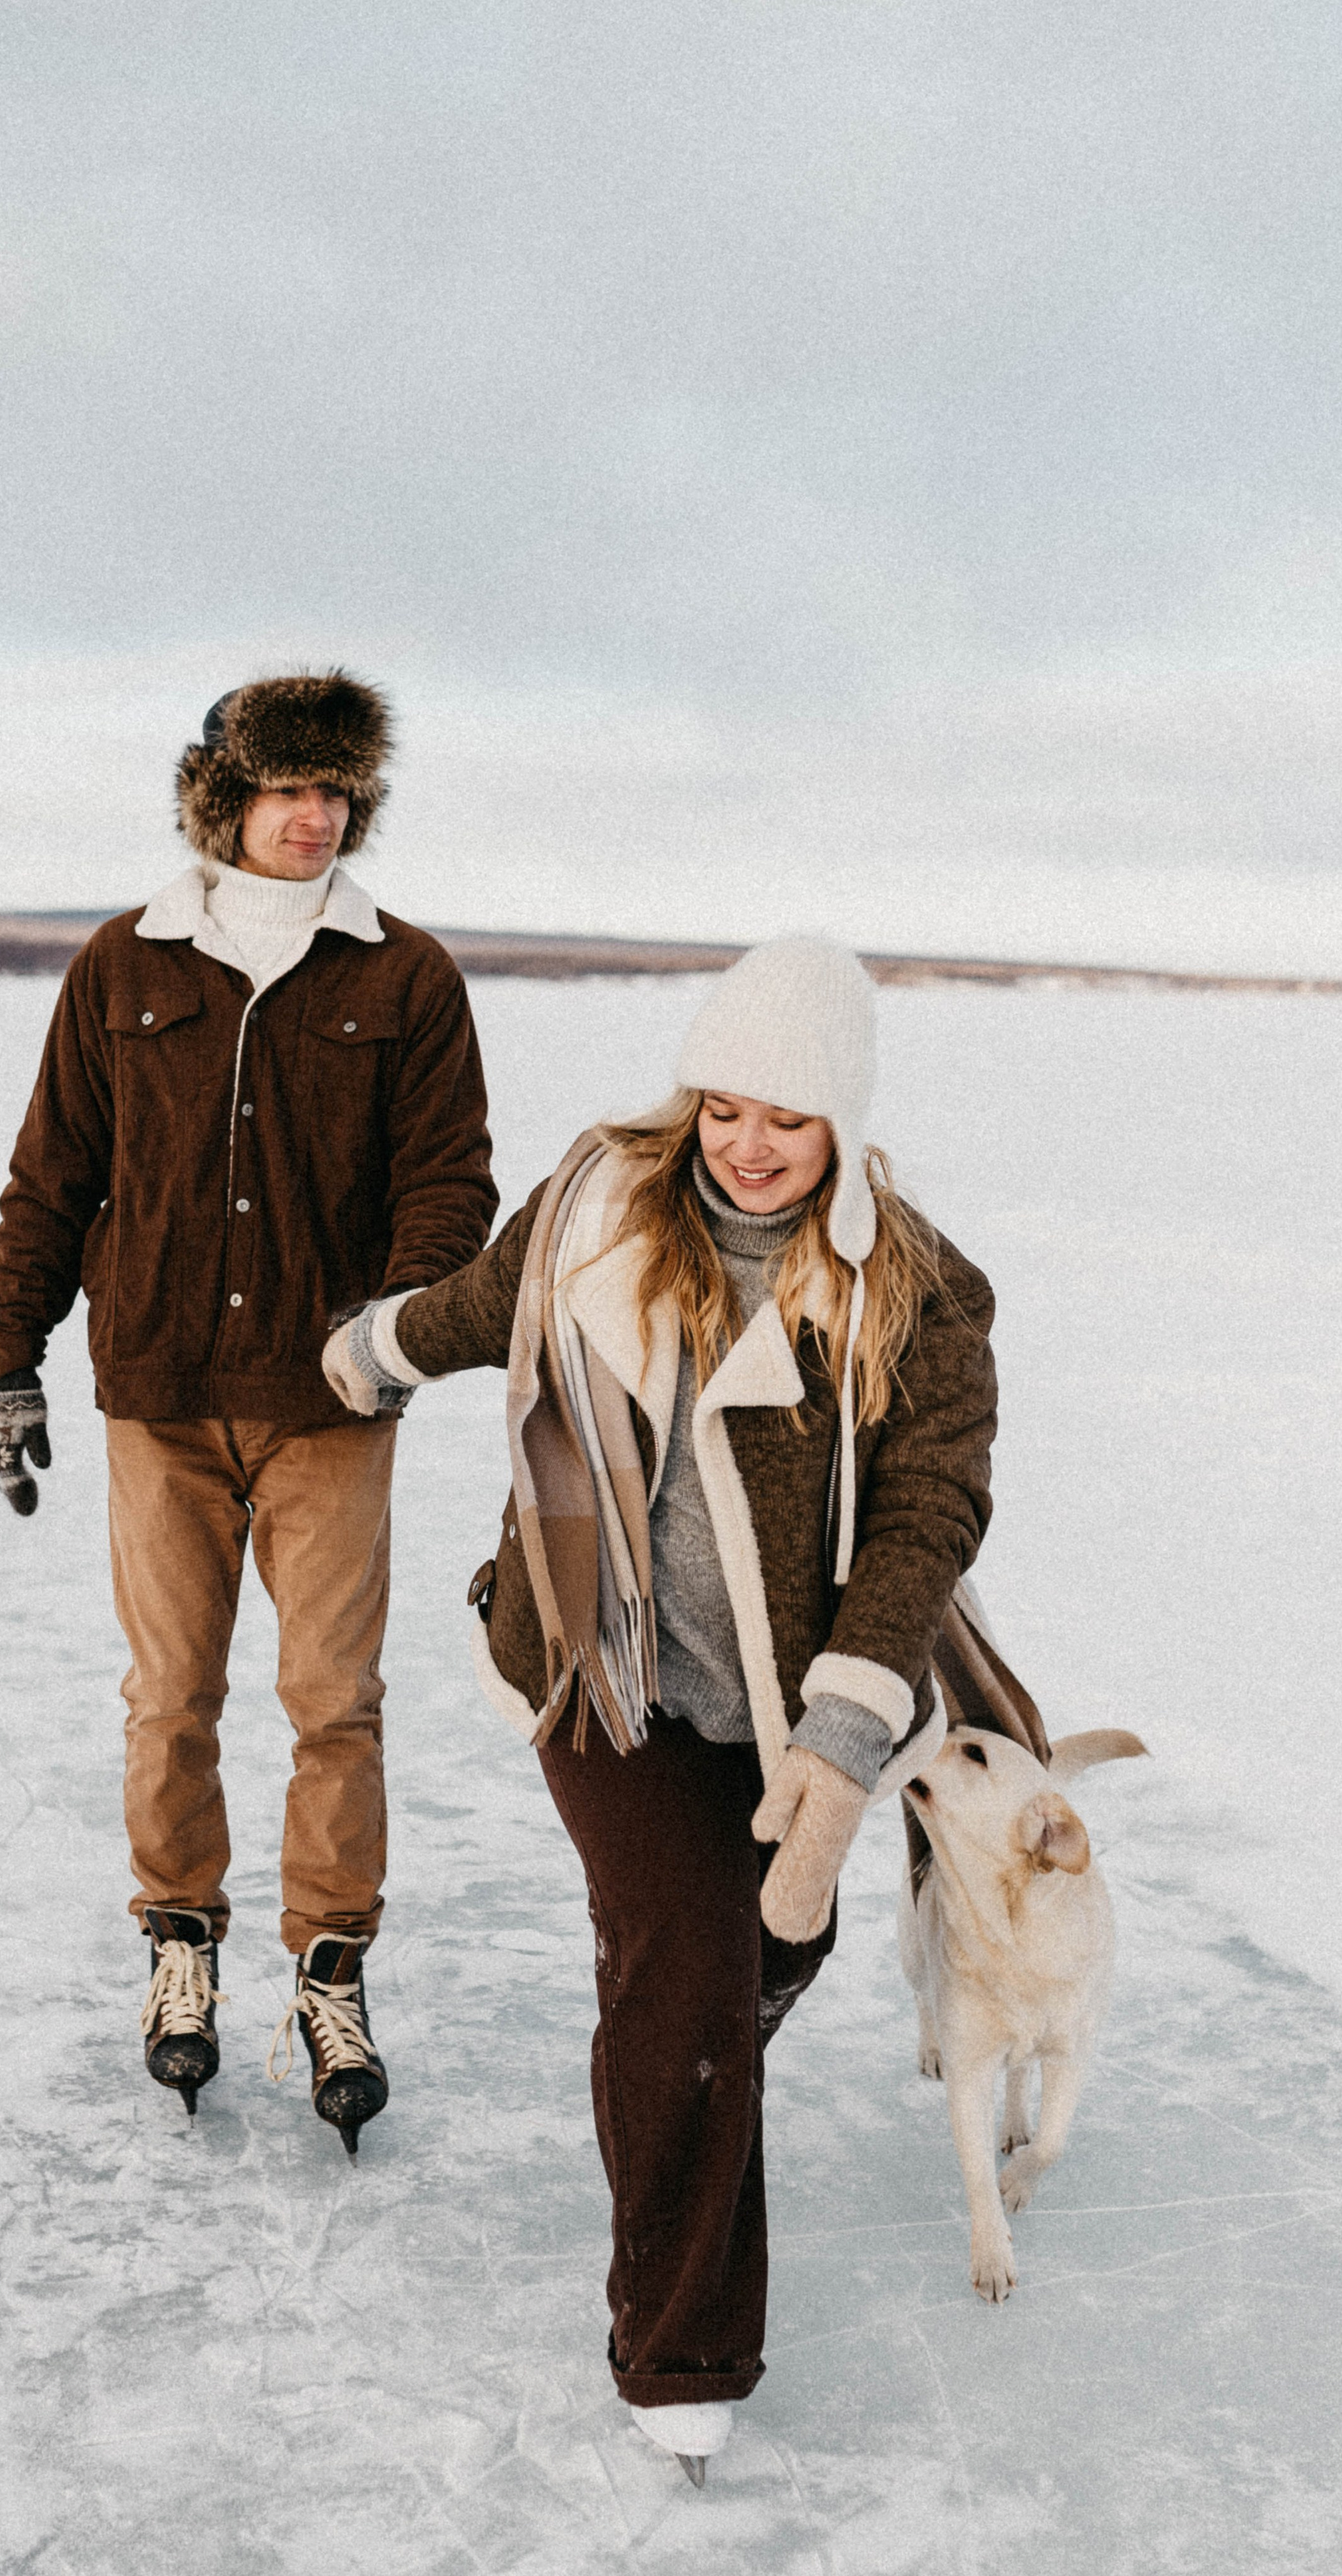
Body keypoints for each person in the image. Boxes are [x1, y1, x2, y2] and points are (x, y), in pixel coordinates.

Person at [322, 937, 995, 2472]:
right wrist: (368, 1351)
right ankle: (679, 2358)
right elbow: (482, 1308)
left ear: (842, 1129)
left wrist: (836, 1756)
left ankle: (682, 2024)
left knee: (764, 1941)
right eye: (724, 1108)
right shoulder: (591, 1215)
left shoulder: (913, 1294)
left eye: (790, 1118)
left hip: (787, 1708)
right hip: (595, 1668)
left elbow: (924, 1518)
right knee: (686, 1973)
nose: (747, 1147)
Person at [0, 670, 496, 2149]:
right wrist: (12, 1353)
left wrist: (393, 1332)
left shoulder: (405, 979)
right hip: (161, 1397)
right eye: (286, 790)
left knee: (335, 1704)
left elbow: (449, 1187)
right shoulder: (125, 965)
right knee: (169, 1697)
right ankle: (178, 1946)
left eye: (337, 793)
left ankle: (328, 1970)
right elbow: (54, 1172)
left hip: (329, 1406)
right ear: (225, 802)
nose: (315, 816)